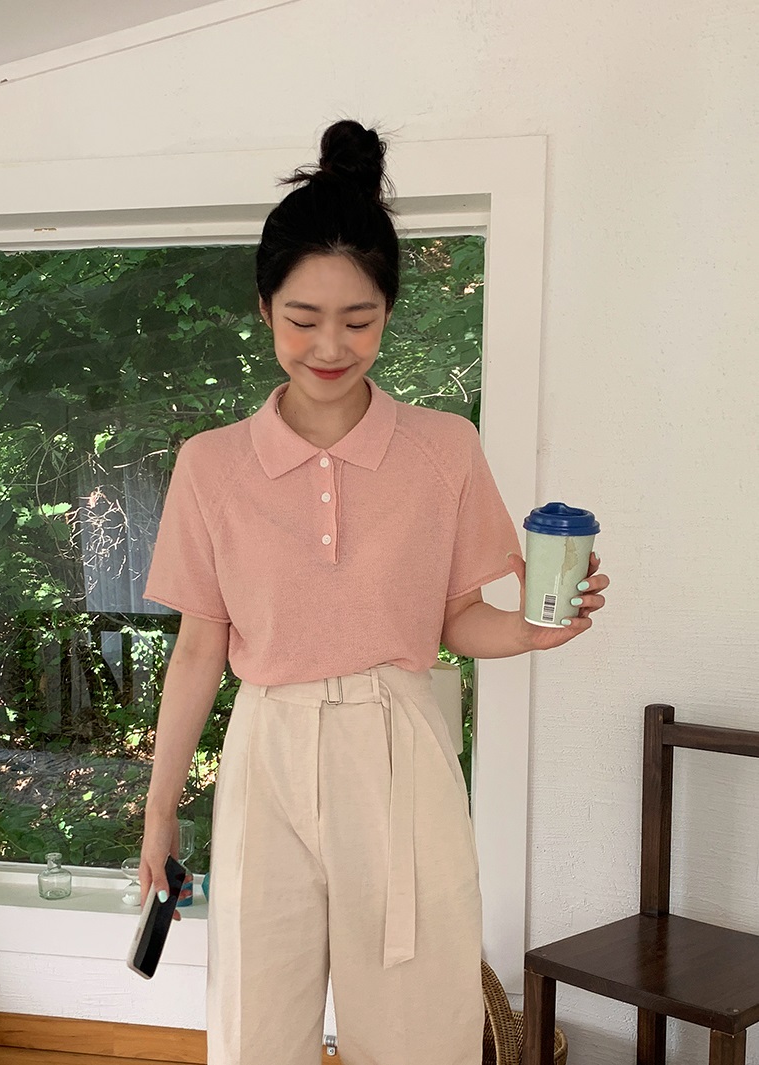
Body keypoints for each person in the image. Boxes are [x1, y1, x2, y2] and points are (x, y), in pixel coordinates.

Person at [139, 119, 609, 1065]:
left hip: (402, 746)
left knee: (417, 1018)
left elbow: (454, 618)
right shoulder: (211, 466)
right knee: (256, 1021)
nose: (330, 345)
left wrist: (528, 633)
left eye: (358, 320)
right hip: (267, 748)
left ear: (389, 312)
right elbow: (198, 648)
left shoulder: (444, 449)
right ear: (264, 308)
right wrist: (160, 809)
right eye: (303, 317)